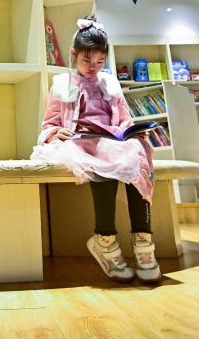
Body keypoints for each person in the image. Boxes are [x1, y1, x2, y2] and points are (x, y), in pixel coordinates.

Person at [32, 17, 159, 283]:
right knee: (103, 159)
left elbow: (124, 119)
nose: (93, 67)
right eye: (87, 60)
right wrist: (55, 132)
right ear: (73, 54)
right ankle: (105, 239)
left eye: (100, 61)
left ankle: (143, 238)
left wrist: (132, 131)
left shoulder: (110, 83)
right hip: (81, 140)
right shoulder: (62, 84)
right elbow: (49, 123)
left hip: (111, 138)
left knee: (137, 152)